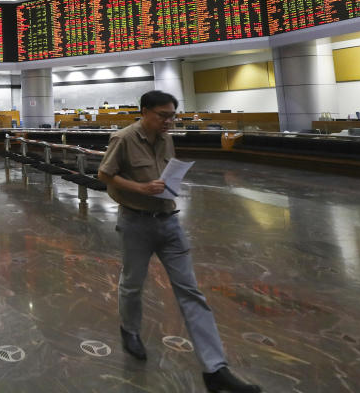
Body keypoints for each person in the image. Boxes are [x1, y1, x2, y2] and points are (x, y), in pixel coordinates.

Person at [98, 90, 260, 393]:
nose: (169, 121)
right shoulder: (123, 138)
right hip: (135, 222)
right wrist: (141, 188)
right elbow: (105, 174)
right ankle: (129, 330)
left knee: (190, 291)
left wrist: (167, 185)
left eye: (173, 115)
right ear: (144, 112)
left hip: (169, 221)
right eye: (163, 115)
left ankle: (215, 368)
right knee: (133, 283)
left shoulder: (167, 137)